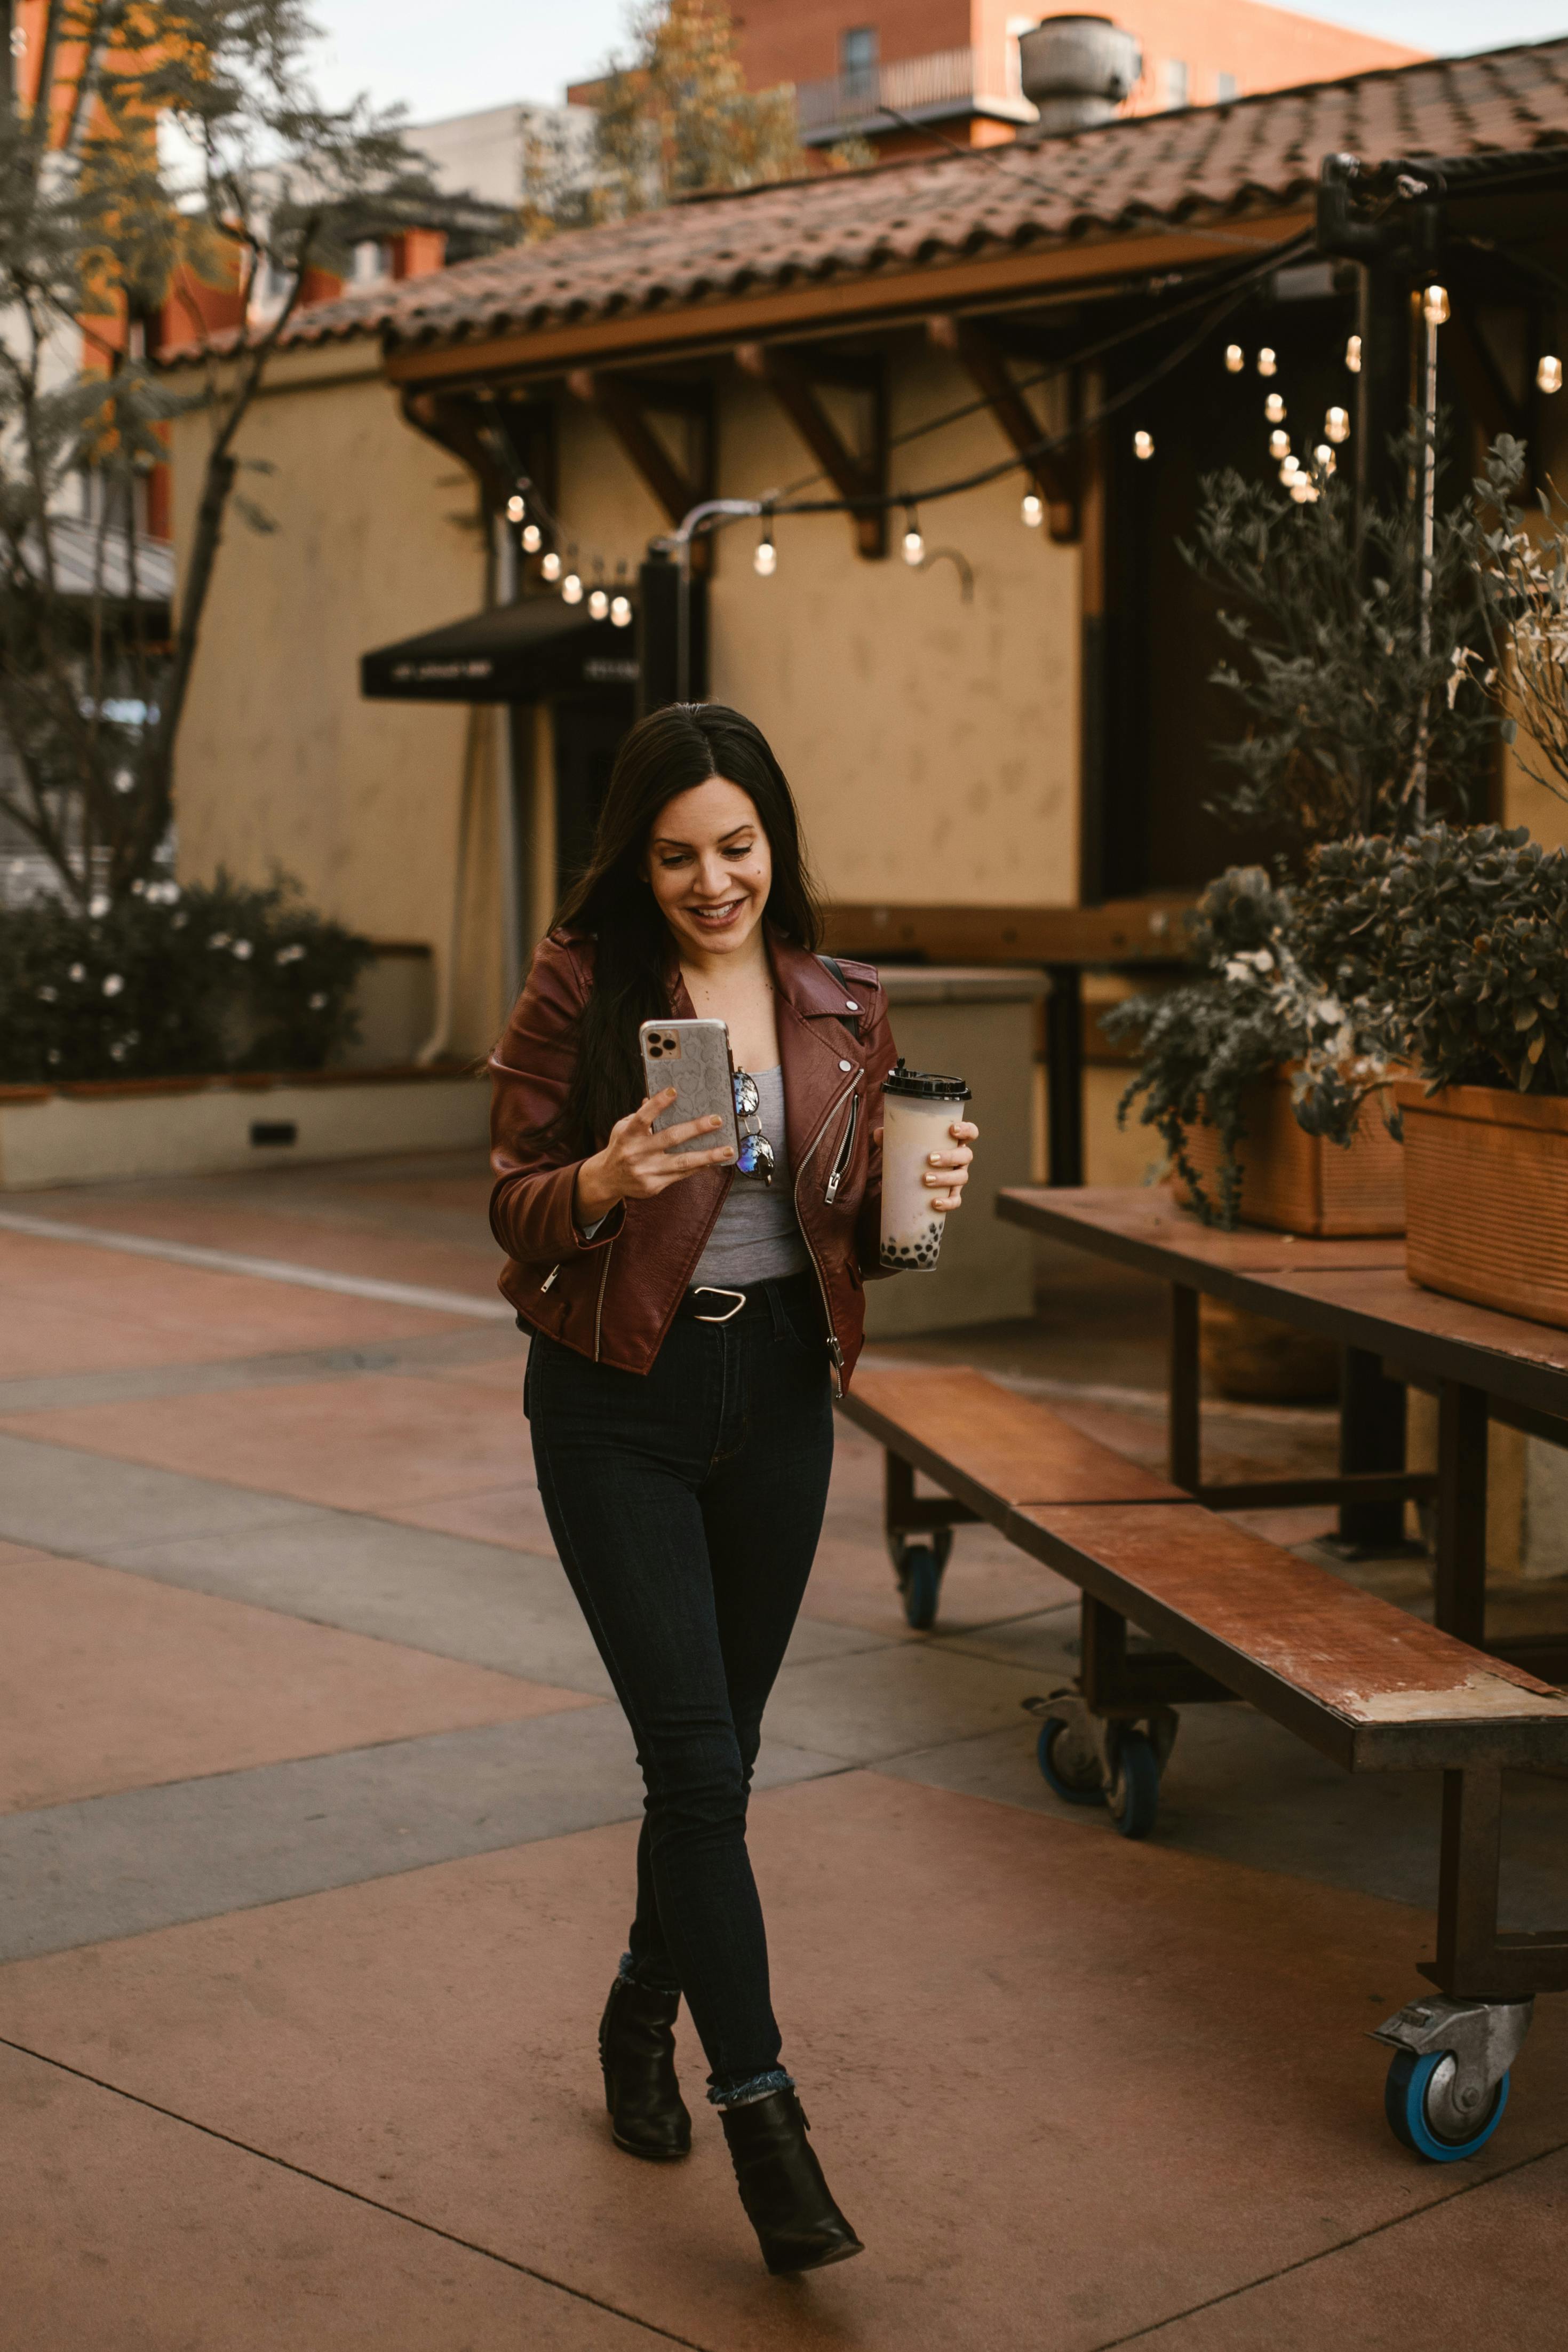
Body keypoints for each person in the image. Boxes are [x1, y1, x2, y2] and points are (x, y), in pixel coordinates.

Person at [489, 702, 978, 2276]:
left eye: (739, 849)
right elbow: (510, 1203)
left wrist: (927, 1203)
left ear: (775, 845)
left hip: (777, 1403)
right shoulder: (583, 987)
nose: (714, 882)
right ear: (638, 860)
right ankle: (765, 2121)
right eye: (682, 855)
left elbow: (874, 1253)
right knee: (695, 1769)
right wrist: (604, 1179)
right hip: (615, 1404)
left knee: (720, 1767)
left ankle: (642, 2008)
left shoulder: (844, 1008)